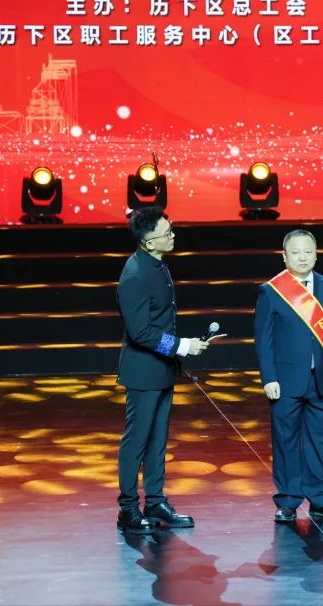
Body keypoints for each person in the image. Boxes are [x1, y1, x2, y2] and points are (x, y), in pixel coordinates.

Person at [116, 207, 209, 534]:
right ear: (148, 241)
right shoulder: (135, 274)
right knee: (137, 440)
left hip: (162, 367)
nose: (173, 236)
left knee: (157, 439)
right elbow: (141, 332)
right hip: (143, 372)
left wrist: (178, 352)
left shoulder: (157, 264)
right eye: (167, 233)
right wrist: (181, 345)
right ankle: (128, 508)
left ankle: (155, 501)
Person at [254, 229, 323, 523]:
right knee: (285, 442)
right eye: (295, 253)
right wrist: (269, 378)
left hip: (321, 378)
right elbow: (263, 339)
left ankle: (320, 499)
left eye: (308, 252)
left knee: (319, 441)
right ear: (284, 257)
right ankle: (288, 500)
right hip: (285, 381)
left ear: (316, 254)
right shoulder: (271, 290)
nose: (302, 257)